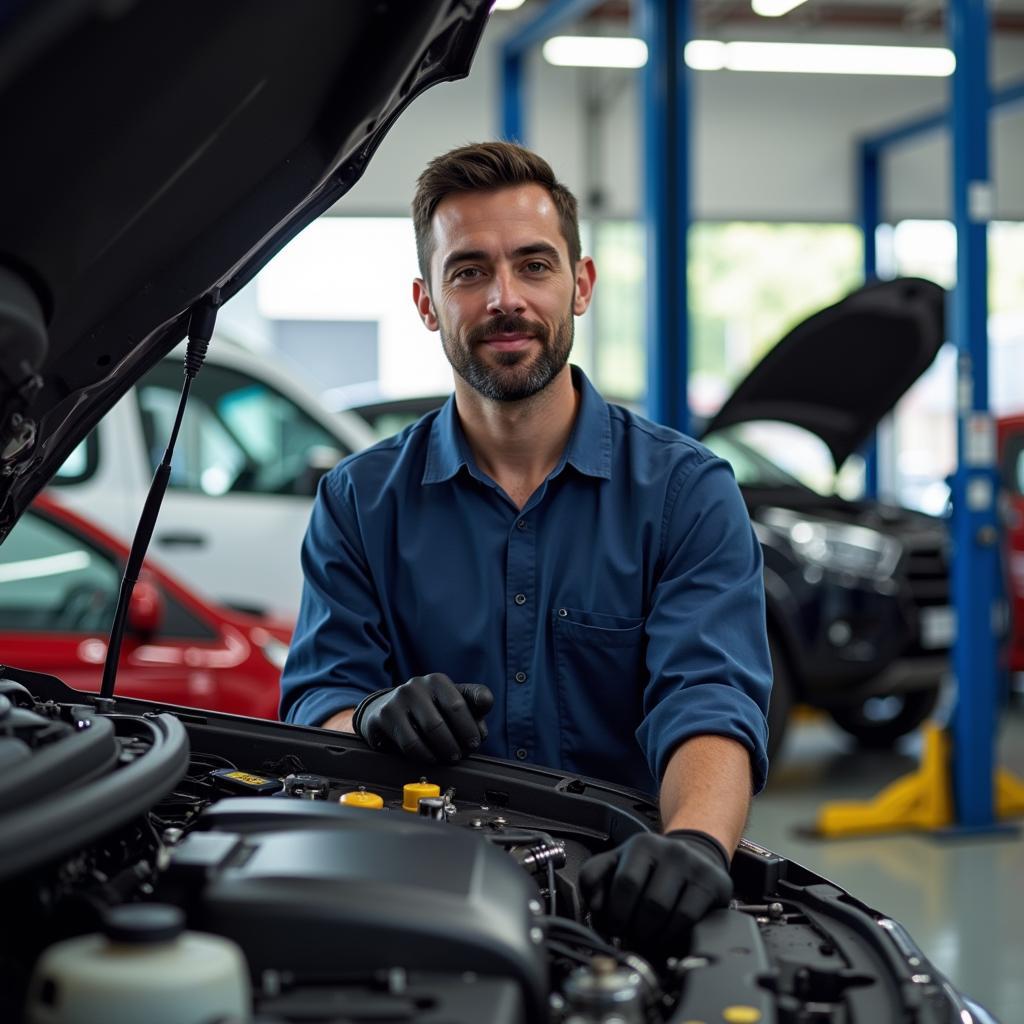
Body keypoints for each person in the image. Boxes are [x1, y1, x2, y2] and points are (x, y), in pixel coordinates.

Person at [280, 141, 772, 952]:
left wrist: (692, 844)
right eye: (469, 272)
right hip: (415, 899)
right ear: (427, 301)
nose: (504, 298)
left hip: (626, 896)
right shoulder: (359, 502)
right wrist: (364, 716)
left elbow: (709, 701)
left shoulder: (688, 494)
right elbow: (315, 702)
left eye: (533, 265)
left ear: (579, 284)